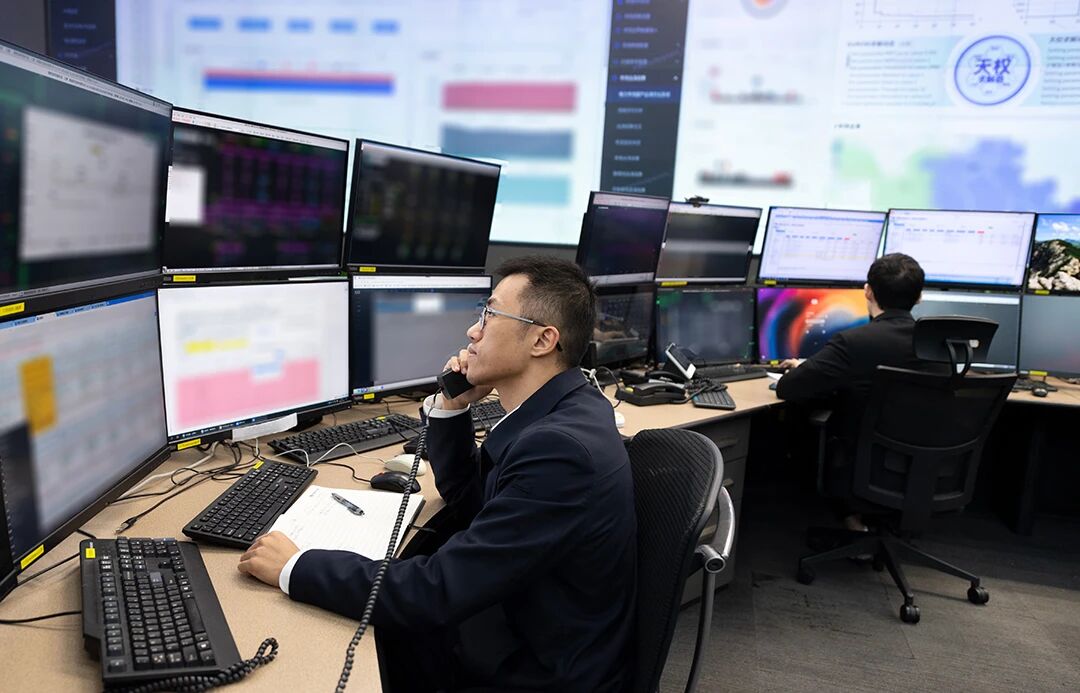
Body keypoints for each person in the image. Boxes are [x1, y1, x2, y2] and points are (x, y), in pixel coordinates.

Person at [238, 256, 637, 692]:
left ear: (542, 340)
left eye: (490, 315)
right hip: (527, 627)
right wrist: (452, 405)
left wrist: (296, 566)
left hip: (534, 672)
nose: (473, 331)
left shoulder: (559, 452)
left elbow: (436, 591)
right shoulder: (570, 406)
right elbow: (473, 500)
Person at [774, 253, 928, 530]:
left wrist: (805, 367)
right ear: (919, 298)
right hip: (922, 469)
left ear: (868, 291)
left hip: (862, 469)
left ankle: (853, 521)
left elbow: (788, 387)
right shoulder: (937, 344)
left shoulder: (854, 342)